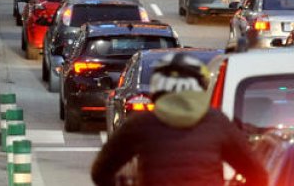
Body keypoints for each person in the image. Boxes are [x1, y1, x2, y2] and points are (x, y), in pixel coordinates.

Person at [91, 53, 267, 186]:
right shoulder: (216, 122)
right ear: (200, 88)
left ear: (158, 89)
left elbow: (100, 173)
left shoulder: (140, 125)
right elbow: (257, 173)